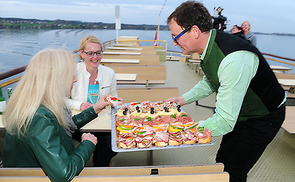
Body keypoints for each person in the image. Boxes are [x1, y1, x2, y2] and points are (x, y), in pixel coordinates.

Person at [166, 1, 286, 182]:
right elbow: (211, 81)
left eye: (176, 36)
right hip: (239, 113)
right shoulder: (209, 46)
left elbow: (224, 122)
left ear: (195, 31)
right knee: (222, 161)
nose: (174, 43)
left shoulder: (234, 59)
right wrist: (182, 100)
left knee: (235, 170)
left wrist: (181, 131)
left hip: (264, 116)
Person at [2, 49, 111, 182]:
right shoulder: (39, 117)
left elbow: (64, 125)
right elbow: (64, 174)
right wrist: (87, 144)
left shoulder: (37, 103)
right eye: (71, 75)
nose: (75, 79)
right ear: (56, 79)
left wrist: (94, 109)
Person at [66, 35, 118, 167]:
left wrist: (114, 101)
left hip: (102, 122)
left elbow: (113, 98)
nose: (95, 57)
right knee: (104, 143)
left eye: (98, 52)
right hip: (78, 122)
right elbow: (60, 99)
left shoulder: (109, 73)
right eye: (90, 53)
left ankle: (101, 169)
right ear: (81, 54)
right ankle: (102, 169)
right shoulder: (72, 71)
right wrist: (80, 105)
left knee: (109, 142)